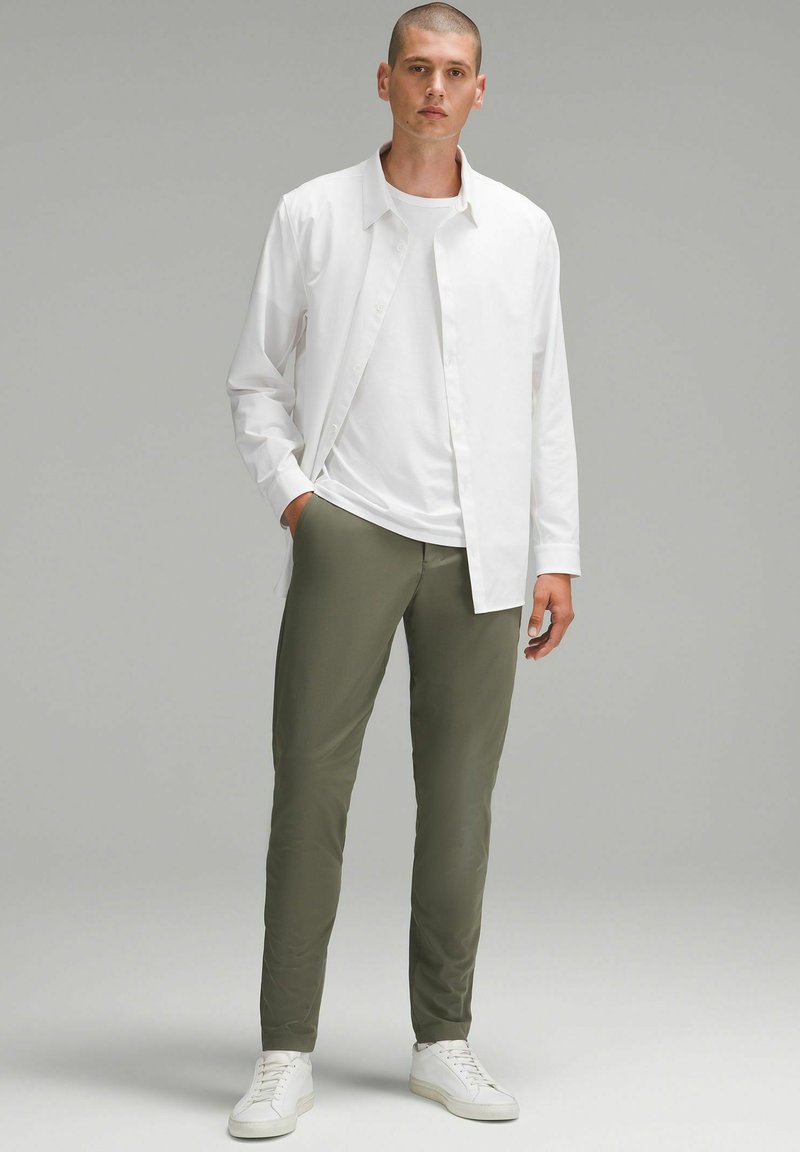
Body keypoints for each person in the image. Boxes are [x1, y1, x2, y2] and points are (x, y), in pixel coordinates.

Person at [224, 2, 580, 1138]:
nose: (435, 88)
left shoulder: (523, 230)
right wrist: (299, 502)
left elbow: (547, 398)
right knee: (309, 790)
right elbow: (255, 380)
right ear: (382, 82)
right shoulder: (313, 214)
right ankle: (284, 1052)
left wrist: (556, 551)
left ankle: (442, 1041)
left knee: (460, 801)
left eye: (455, 71)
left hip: (482, 549)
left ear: (481, 89)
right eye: (417, 68)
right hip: (354, 529)